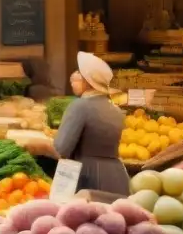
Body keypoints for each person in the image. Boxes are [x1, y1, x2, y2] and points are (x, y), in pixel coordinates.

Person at [53, 52, 128, 195]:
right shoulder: (116, 110)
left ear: (87, 81)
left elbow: (61, 149)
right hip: (116, 177)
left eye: (78, 73)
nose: (73, 77)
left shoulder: (79, 106)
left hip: (86, 177)